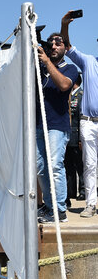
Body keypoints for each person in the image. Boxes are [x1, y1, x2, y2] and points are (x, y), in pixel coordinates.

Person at [36, 32, 78, 223]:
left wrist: (46, 62)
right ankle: (50, 205)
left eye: (58, 44)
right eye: (50, 43)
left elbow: (63, 85)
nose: (53, 46)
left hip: (57, 126)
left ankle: (60, 210)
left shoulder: (70, 68)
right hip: (38, 124)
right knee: (40, 167)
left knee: (54, 165)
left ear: (65, 48)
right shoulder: (38, 67)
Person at [61, 12, 98, 218]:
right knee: (90, 165)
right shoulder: (89, 61)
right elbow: (67, 48)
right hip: (88, 122)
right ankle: (91, 203)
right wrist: (64, 25)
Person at [64, 74, 85, 207]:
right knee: (68, 165)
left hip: (76, 136)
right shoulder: (68, 95)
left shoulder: (81, 95)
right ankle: (71, 192)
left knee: (80, 165)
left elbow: (81, 117)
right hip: (67, 137)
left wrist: (81, 138)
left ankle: (83, 190)